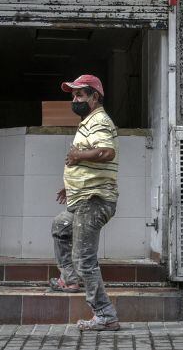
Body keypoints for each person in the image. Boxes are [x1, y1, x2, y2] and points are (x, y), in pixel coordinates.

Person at [50, 74, 122, 332]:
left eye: (80, 94)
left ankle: (105, 315)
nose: (75, 99)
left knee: (84, 259)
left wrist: (78, 156)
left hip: (93, 201)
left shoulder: (99, 120)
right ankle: (69, 280)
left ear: (95, 97)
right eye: (73, 95)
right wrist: (70, 184)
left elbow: (107, 152)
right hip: (83, 197)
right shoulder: (88, 121)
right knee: (61, 226)